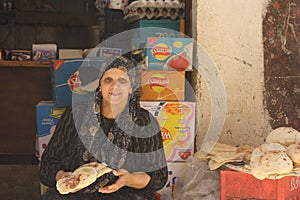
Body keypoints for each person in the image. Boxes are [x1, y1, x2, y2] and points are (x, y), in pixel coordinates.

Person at [40, 56, 168, 200]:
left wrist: (128, 179)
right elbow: (47, 164)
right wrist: (64, 178)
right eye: (108, 80)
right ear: (100, 85)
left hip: (124, 194)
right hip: (76, 194)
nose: (114, 87)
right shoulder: (76, 114)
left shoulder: (144, 121)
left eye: (123, 81)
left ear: (132, 87)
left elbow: (158, 176)